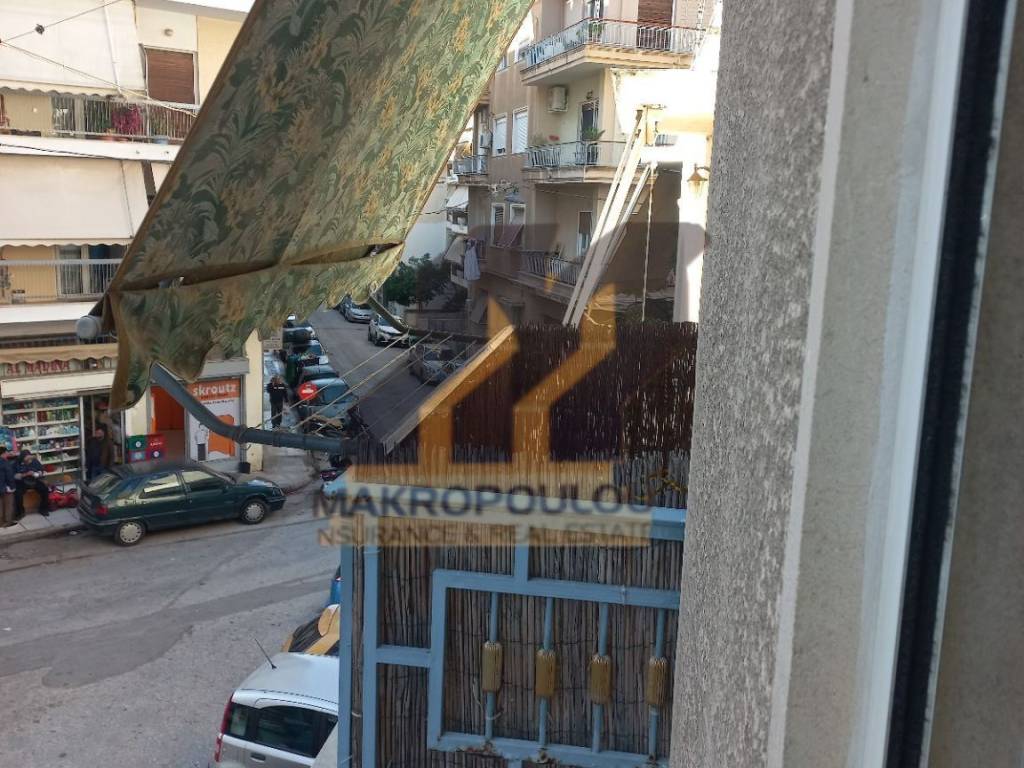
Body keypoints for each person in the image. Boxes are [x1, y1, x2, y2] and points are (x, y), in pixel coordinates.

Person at [14, 450, 49, 517]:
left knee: (45, 489)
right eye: (27, 460)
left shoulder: (34, 461)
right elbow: (14, 476)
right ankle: (20, 512)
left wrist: (37, 474)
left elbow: (41, 471)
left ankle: (43, 509)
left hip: (34, 480)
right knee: (17, 494)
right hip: (22, 482)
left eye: (30, 459)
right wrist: (26, 474)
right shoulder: (17, 463)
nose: (29, 461)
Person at [0, 445, 16, 527]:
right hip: (5, 488)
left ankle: (0, 522)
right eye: (7, 452)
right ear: (4, 453)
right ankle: (7, 522)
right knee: (8, 505)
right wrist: (12, 487)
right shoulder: (5, 463)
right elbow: (9, 476)